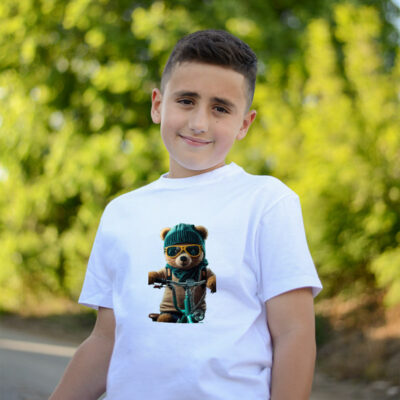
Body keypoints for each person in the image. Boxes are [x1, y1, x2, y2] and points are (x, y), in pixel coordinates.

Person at [50, 29, 322, 400]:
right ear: (157, 105)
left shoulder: (267, 202)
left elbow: (294, 333)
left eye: (220, 108)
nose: (199, 123)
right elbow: (106, 339)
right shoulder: (121, 213)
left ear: (244, 124)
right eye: (186, 101)